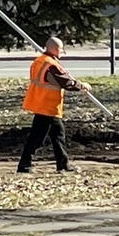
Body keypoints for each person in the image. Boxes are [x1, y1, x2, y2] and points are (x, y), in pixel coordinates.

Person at [17, 36, 90, 173]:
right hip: (47, 106)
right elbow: (65, 82)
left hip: (42, 103)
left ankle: (62, 164)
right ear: (55, 49)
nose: (63, 52)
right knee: (39, 138)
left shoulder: (39, 61)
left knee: (56, 135)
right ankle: (25, 165)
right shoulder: (51, 65)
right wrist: (81, 85)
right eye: (62, 49)